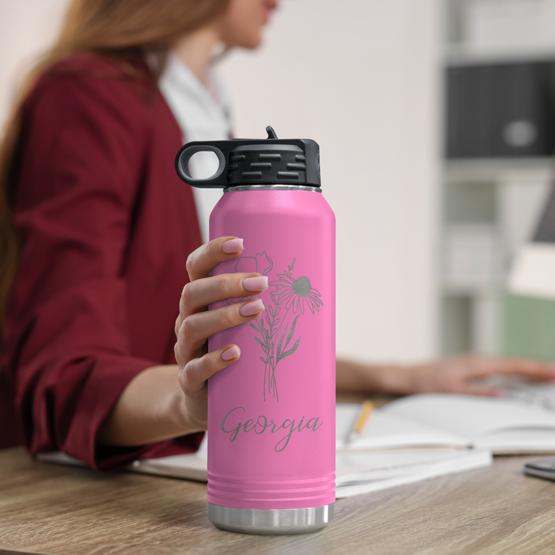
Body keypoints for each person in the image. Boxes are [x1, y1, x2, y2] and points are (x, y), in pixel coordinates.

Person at [1, 0, 554, 467]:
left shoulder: (202, 106)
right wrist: (195, 405)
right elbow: (63, 376)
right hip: (76, 500)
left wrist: (395, 375)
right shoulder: (86, 96)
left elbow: (211, 351)